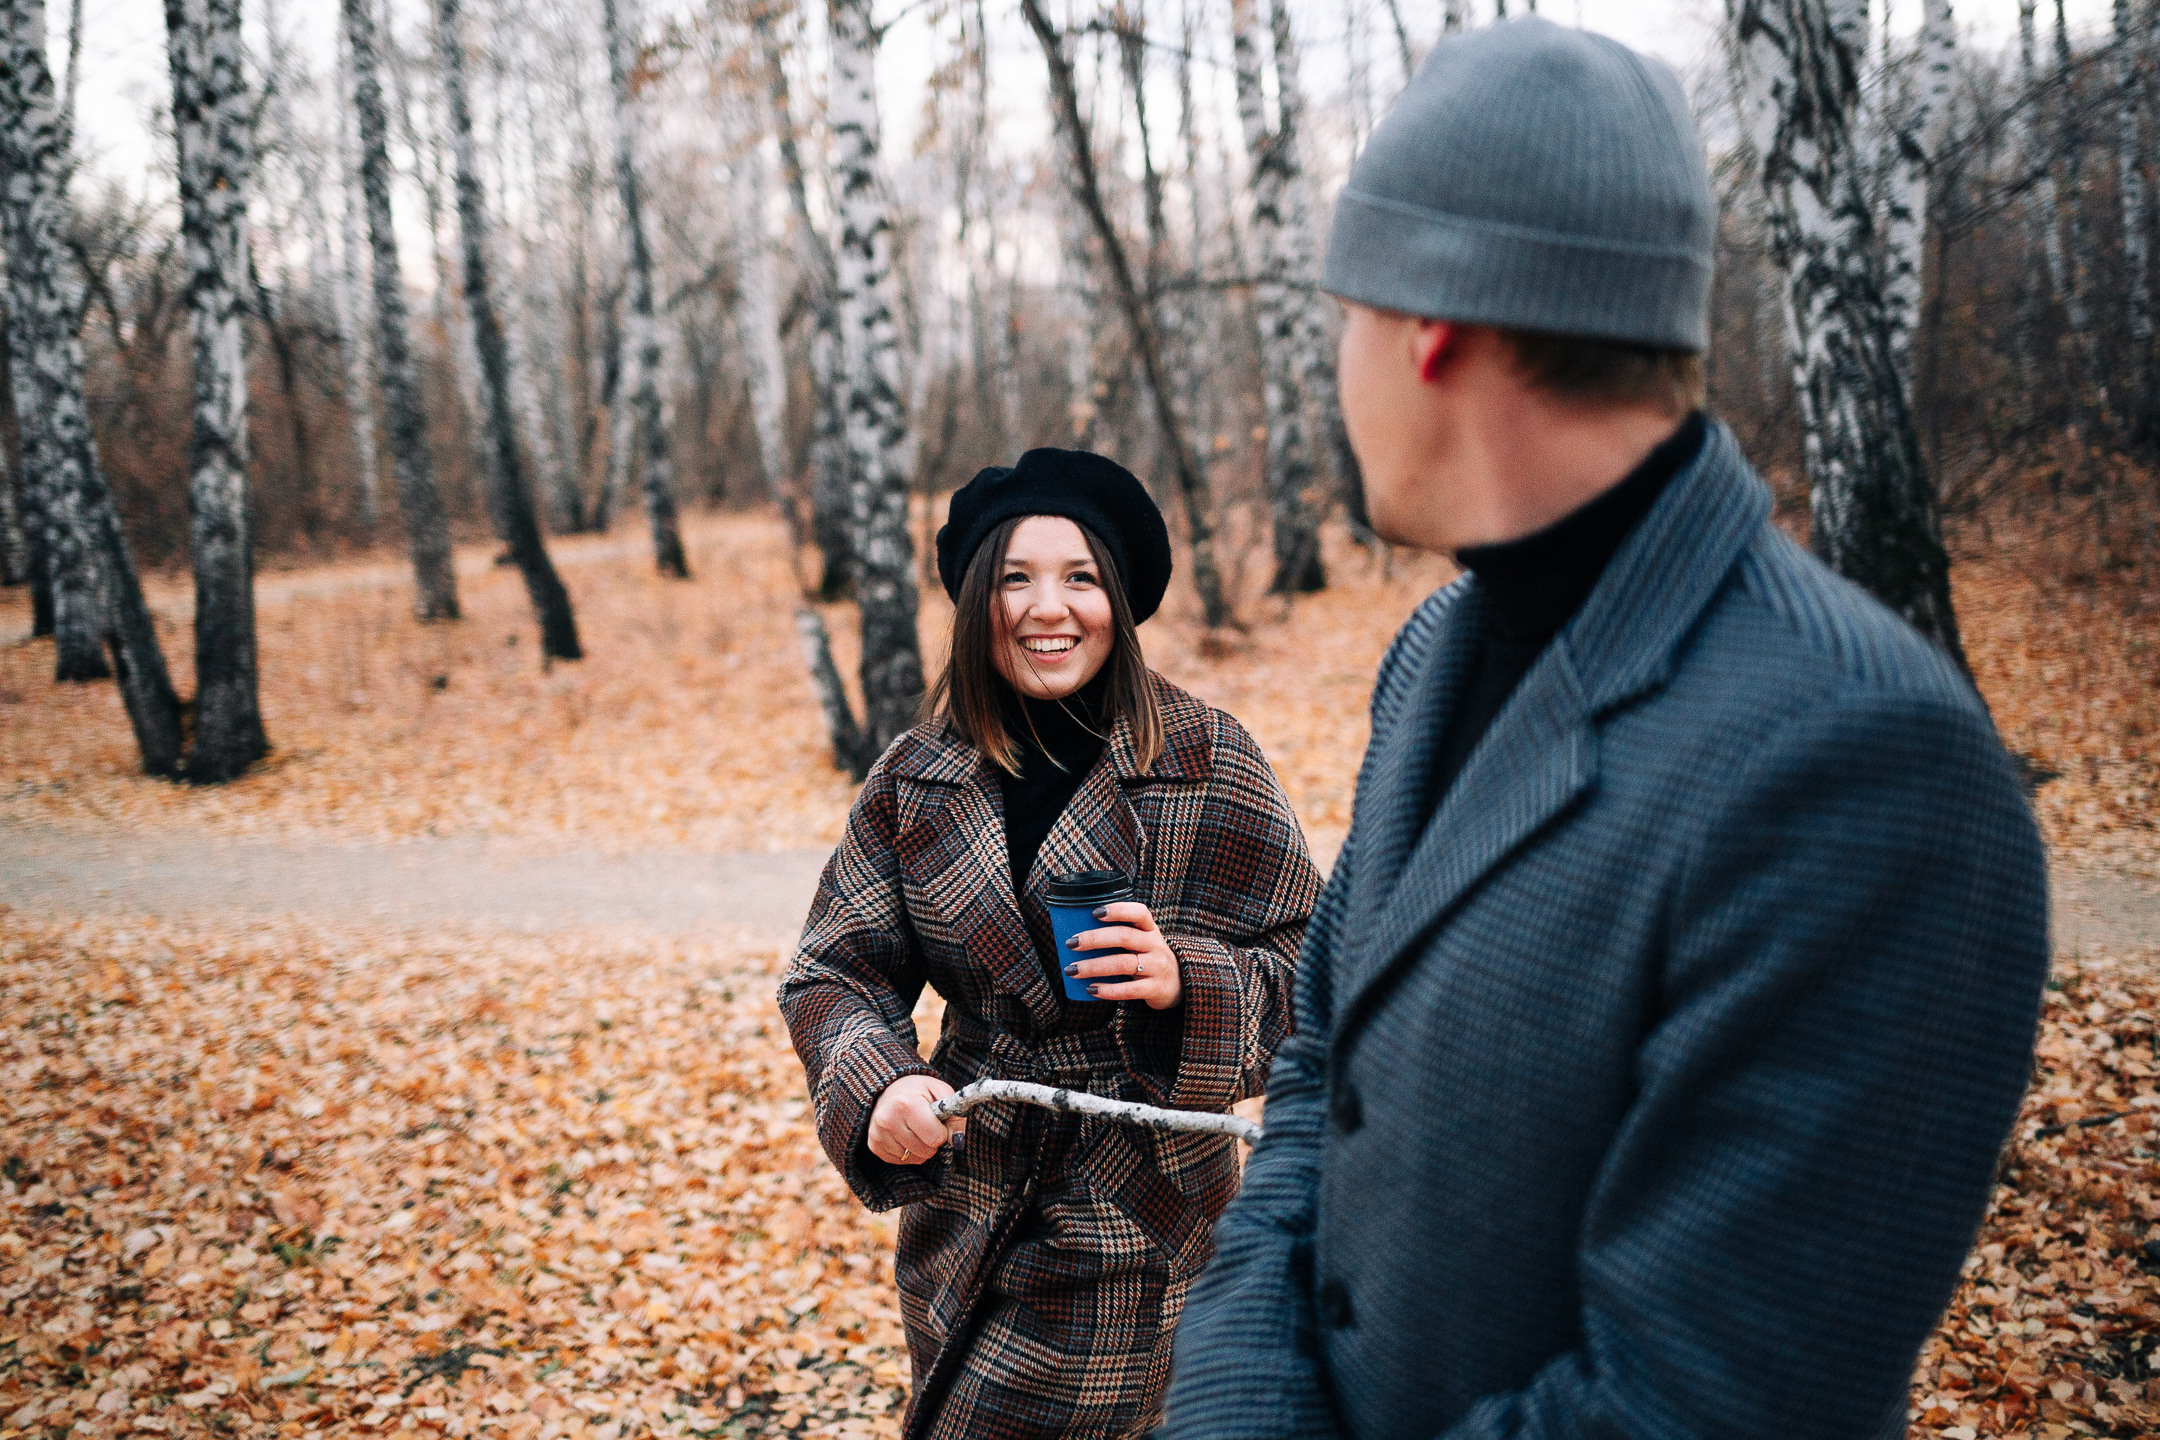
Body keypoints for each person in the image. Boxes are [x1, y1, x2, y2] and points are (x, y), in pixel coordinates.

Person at [1161, 19, 2048, 1440]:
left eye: (1345, 314)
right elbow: (1320, 1088)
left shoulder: (1867, 764)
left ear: (1429, 325)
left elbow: (1709, 1399)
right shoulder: (1439, 652)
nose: (1342, 366)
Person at [779, 448, 1322, 1440]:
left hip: (1142, 1209)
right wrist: (881, 1085)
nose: (1048, 607)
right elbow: (833, 970)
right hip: (966, 1206)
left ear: (1118, 599)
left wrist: (1187, 984)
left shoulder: (1209, 760)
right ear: (979, 600)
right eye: (1016, 578)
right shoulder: (919, 777)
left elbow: (1321, 980)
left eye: (1079, 577)